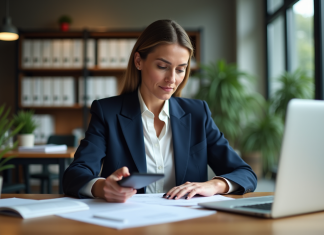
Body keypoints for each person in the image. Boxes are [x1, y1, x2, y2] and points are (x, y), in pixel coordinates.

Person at [63, 19, 257, 202]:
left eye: (180, 69)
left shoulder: (198, 114)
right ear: (138, 61)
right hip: (128, 222)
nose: (171, 79)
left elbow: (245, 173)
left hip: (187, 222)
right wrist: (103, 187)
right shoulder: (108, 112)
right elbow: (74, 174)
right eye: (163, 67)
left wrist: (214, 185)